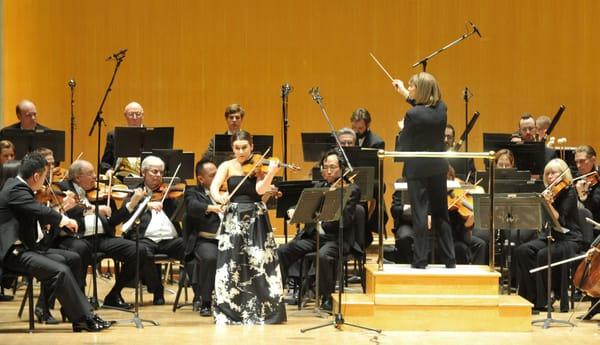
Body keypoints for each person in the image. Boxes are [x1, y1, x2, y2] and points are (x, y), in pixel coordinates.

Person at [0, 152, 110, 332]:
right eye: (44, 177)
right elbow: (37, 210)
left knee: (72, 258)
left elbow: (34, 215)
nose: (45, 182)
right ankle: (83, 318)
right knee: (60, 270)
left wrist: (59, 210)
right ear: (36, 176)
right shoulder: (15, 189)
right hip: (12, 253)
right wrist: (64, 219)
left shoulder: (19, 189)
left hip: (27, 248)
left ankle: (82, 314)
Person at [209, 130, 286, 324]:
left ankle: (265, 309)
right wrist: (219, 197)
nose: (241, 151)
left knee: (259, 260)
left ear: (251, 146)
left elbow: (260, 190)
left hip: (255, 216)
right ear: (232, 148)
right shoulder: (227, 165)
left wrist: (272, 173)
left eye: (244, 147)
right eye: (237, 147)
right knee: (232, 261)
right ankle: (231, 309)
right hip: (233, 217)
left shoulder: (259, 166)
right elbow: (214, 187)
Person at [278, 150, 361, 311]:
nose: (328, 171)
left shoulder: (350, 189)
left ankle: (327, 297)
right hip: (315, 237)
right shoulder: (319, 186)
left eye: (333, 167)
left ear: (342, 168)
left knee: (324, 255)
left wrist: (324, 217)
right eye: (325, 167)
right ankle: (277, 294)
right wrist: (294, 210)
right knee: (283, 250)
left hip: (336, 238)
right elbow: (305, 204)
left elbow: (346, 219)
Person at [56, 159, 142, 310]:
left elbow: (113, 220)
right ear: (77, 177)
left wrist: (131, 204)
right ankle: (79, 299)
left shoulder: (101, 192)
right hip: (75, 238)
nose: (95, 176)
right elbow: (69, 210)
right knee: (80, 250)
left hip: (102, 238)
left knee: (138, 250)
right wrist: (93, 208)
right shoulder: (64, 188)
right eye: (90, 174)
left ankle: (114, 295)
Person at [392, 72, 455, 269]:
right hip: (438, 167)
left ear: (421, 90)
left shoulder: (411, 116)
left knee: (420, 214)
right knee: (440, 213)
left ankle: (420, 260)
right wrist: (403, 92)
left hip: (417, 169)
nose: (410, 89)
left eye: (412, 87)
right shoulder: (442, 108)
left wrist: (402, 129)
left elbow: (406, 140)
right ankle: (449, 259)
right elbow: (423, 111)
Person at [514, 158, 582, 313]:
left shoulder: (570, 192)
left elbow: (558, 218)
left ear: (563, 174)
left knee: (544, 255)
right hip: (551, 237)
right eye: (548, 174)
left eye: (554, 173)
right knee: (522, 250)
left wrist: (548, 204)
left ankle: (544, 300)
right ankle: (531, 297)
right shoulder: (551, 193)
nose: (550, 176)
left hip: (569, 239)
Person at [122, 155, 186, 305]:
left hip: (170, 240)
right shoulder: (133, 192)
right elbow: (126, 213)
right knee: (143, 252)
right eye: (154, 172)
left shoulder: (169, 193)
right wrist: (145, 205)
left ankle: (201, 296)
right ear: (143, 172)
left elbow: (181, 212)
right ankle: (157, 289)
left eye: (161, 173)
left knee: (190, 248)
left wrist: (179, 199)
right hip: (145, 238)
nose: (159, 176)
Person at [183, 158, 222, 316]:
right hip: (205, 240)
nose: (218, 177)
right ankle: (206, 301)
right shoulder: (193, 192)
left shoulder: (225, 191)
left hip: (228, 239)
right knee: (210, 258)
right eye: (213, 175)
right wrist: (211, 207)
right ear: (201, 179)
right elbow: (192, 207)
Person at [573, 145, 600, 320]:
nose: (579, 165)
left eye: (583, 161)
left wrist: (587, 198)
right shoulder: (581, 181)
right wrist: (583, 197)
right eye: (576, 162)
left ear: (593, 160)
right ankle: (595, 302)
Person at [100, 101, 145, 176]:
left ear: (143, 115)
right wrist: (107, 170)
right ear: (125, 115)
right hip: (120, 176)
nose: (134, 117)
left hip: (145, 177)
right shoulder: (114, 135)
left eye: (138, 114)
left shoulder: (151, 134)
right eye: (131, 114)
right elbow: (105, 162)